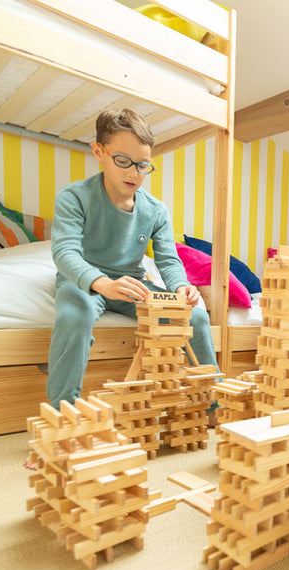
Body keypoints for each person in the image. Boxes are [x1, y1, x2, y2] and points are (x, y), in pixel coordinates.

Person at [46, 108, 218, 410]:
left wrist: (181, 287)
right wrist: (102, 283)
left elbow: (168, 260)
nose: (133, 173)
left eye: (142, 165)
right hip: (85, 282)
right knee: (74, 317)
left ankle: (212, 403)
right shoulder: (74, 196)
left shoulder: (156, 210)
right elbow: (65, 253)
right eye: (123, 161)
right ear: (99, 152)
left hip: (133, 286)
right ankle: (62, 412)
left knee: (198, 317)